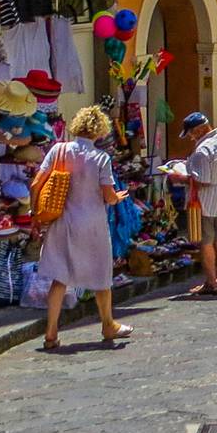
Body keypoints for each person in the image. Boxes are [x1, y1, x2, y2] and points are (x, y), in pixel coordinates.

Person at [33, 105, 130, 351]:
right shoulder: (101, 158)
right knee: (101, 276)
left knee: (60, 278)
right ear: (100, 131)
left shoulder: (59, 150)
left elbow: (36, 184)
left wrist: (35, 215)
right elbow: (108, 196)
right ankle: (108, 324)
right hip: (92, 224)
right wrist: (117, 198)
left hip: (61, 222)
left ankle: (51, 333)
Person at [179, 111, 217, 297]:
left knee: (206, 242)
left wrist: (180, 177)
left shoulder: (203, 150)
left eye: (191, 133)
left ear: (200, 130)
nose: (191, 137)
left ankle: (212, 282)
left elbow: (202, 180)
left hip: (206, 203)